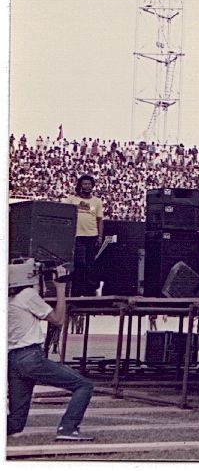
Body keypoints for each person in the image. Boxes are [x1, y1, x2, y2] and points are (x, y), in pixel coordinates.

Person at [8, 260, 94, 441]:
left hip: (13, 359)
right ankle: (68, 428)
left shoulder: (9, 300)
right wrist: (61, 288)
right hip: (30, 356)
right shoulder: (28, 295)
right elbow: (58, 319)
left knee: (15, 423)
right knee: (83, 385)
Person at [63, 175, 104, 296]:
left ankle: (89, 292)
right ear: (80, 185)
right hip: (77, 236)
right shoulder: (71, 199)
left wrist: (100, 236)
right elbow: (64, 213)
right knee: (79, 264)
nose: (87, 186)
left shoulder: (97, 201)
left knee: (90, 265)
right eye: (85, 184)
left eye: (89, 184)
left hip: (92, 236)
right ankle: (77, 291)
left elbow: (100, 220)